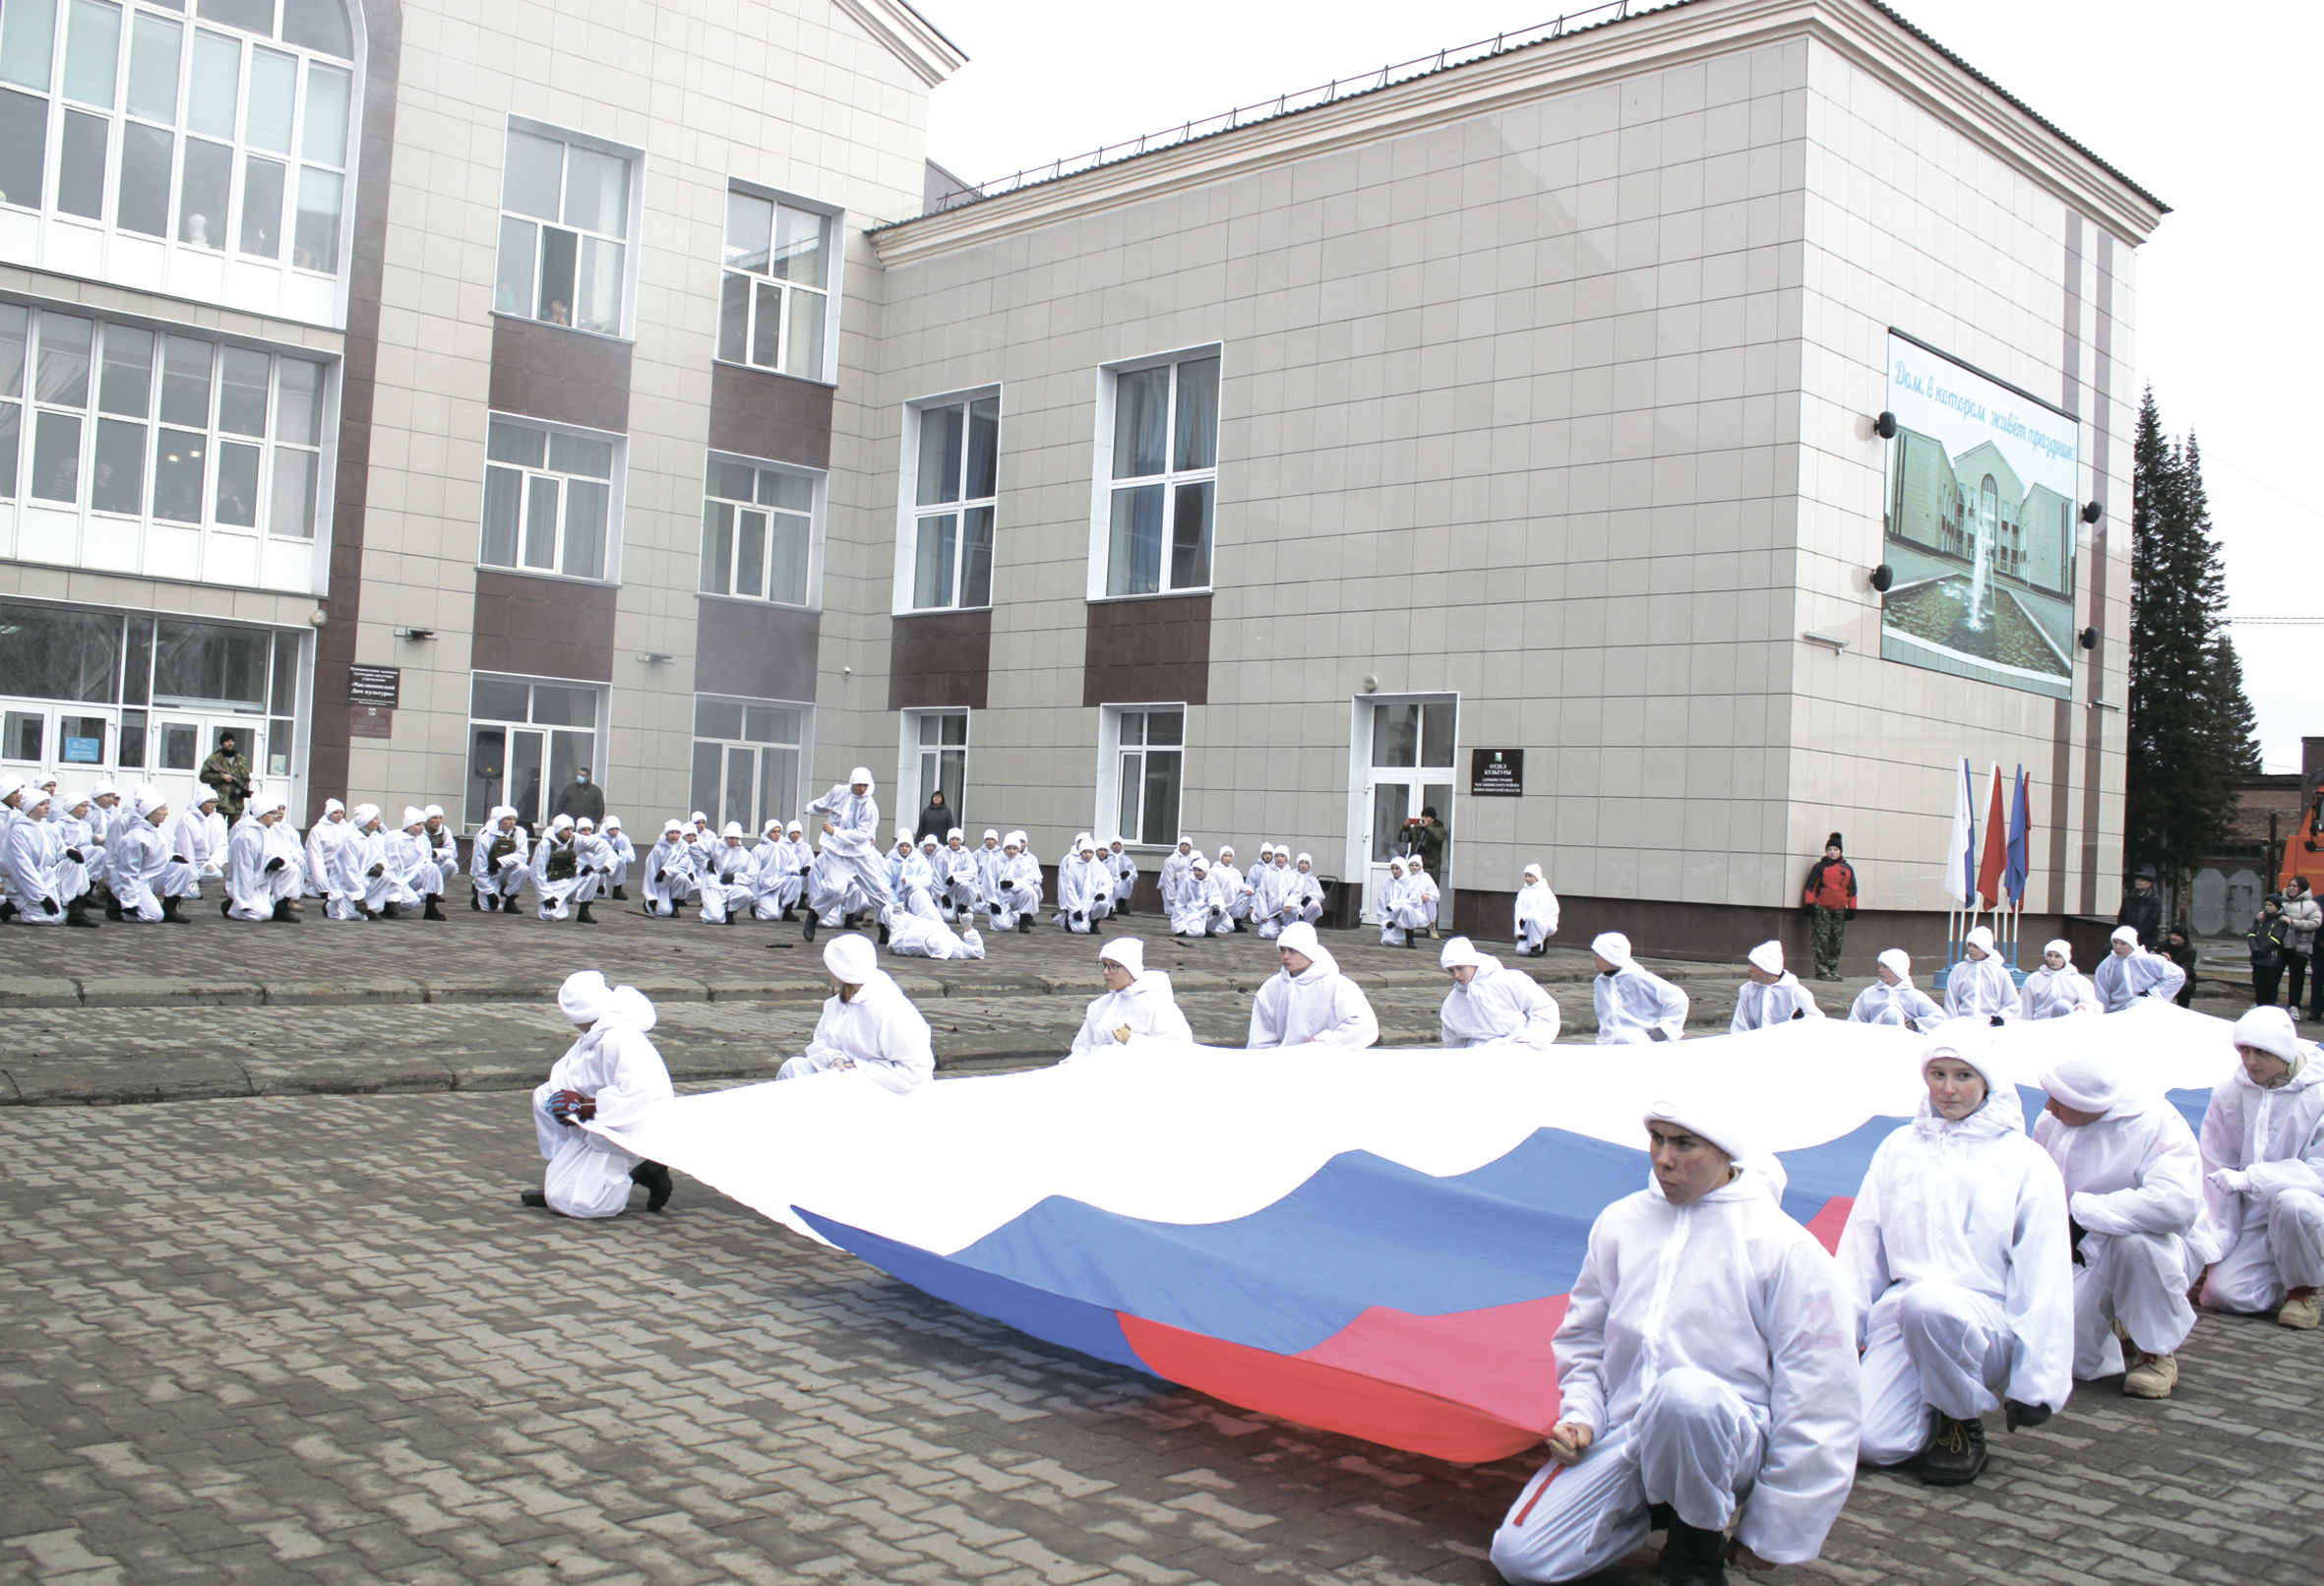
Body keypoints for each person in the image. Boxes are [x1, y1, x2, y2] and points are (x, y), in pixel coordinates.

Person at [1488, 1101, 1859, 1586]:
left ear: (1727, 1154)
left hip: (1729, 1438)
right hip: (1629, 1430)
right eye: (1657, 1139)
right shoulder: (1621, 1222)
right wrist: (1582, 1415)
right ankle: (1656, 1503)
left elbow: (1821, 1395)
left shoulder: (1783, 1246)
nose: (1663, 1158)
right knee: (1521, 1561)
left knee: (1687, 1397)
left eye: (1684, 1144)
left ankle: (1695, 1543)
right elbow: (1584, 1338)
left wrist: (1776, 1529)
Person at [1838, 1025, 2073, 1485]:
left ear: (1988, 1082)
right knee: (1871, 1444)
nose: (1948, 1089)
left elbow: (2043, 1275)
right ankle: (1931, 1394)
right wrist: (1839, 1340)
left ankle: (1960, 1419)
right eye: (1938, 1074)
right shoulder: (1898, 1149)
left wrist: (2037, 1383)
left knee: (1931, 1303)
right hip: (1905, 1316)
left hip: (1984, 1319)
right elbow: (1862, 1249)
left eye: (1964, 1075)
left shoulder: (2025, 1161)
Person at [2034, 1048, 2206, 1399]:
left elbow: (2176, 1205)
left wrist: (2084, 1212)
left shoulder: (2156, 1122)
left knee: (2136, 1244)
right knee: (2064, 1358)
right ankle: (2121, 1319)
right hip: (2079, 1251)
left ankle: (2157, 1352)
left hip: (2157, 1248)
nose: (2049, 1107)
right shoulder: (2054, 1122)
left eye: (2059, 1100)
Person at [2194, 1006, 2323, 1330]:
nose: (2250, 1061)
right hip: (2255, 1214)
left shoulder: (2319, 1096)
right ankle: (2282, 1268)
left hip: (2310, 1206)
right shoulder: (2230, 1094)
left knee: (2293, 1202)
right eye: (2244, 1051)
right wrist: (2213, 1247)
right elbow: (2215, 1167)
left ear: (2284, 1052)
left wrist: (2252, 1178)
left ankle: (2303, 1288)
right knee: (2226, 1296)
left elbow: (2319, 1172)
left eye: (2262, 1052)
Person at [524, 971, 675, 1217]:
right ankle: (563, 1169)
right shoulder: (595, 1035)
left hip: (631, 1126)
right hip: (601, 1121)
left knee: (582, 1204)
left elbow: (640, 1091)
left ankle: (645, 1166)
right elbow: (569, 1073)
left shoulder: (622, 1038)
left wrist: (586, 1106)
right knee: (544, 1097)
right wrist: (563, 1102)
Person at [776, 935, 936, 1093]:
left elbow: (915, 1071)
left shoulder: (890, 1009)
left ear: (840, 970)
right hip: (842, 1078)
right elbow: (820, 1043)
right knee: (793, 1068)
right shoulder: (836, 1004)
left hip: (883, 1090)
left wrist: (859, 1070)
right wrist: (834, 1058)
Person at [1247, 922, 1378, 1050]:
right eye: (1282, 950)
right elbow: (1261, 1037)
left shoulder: (1338, 985)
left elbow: (1364, 1024)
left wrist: (1324, 1042)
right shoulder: (1271, 988)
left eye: (1292, 951)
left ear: (1308, 951)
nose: (1285, 957)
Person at [802, 768, 893, 944]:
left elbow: (861, 834)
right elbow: (824, 803)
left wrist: (835, 831)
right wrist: (810, 809)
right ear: (852, 783)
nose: (862, 789)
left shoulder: (870, 807)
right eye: (858, 785)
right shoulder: (839, 792)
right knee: (834, 890)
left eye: (865, 785)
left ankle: (884, 928)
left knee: (880, 891)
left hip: (860, 854)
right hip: (836, 852)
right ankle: (813, 916)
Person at [1068, 937, 1193, 1056]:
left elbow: (1178, 1051)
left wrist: (1133, 1041)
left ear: (1130, 969)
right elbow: (1081, 1048)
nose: (1106, 972)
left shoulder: (1157, 1005)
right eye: (1104, 965)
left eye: (1113, 966)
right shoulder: (1098, 1006)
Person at [1437, 937, 1560, 1048]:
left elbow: (1543, 1006)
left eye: (1460, 968)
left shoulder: (1508, 980)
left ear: (1472, 962)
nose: (1457, 975)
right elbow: (1453, 1041)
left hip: (1519, 1049)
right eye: (1451, 970)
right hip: (1480, 1056)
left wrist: (1531, 1039)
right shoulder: (1452, 1003)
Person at [111, 789, 198, 924]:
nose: (166, 813)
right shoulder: (135, 837)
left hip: (149, 876)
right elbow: (128, 872)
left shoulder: (156, 829)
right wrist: (130, 902)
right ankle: (120, 908)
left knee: (182, 867)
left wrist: (172, 857)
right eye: (162, 809)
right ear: (150, 812)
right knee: (154, 916)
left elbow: (158, 855)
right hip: (135, 881)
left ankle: (170, 910)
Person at [1590, 933, 1688, 1044]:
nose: (1594, 958)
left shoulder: (1638, 978)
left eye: (1598, 954)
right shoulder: (1600, 982)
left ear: (1609, 956)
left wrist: (1664, 1030)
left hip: (1639, 1042)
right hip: (1610, 1042)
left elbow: (1678, 999)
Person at [223, 796, 300, 923]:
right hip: (251, 882)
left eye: (276, 813)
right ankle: (231, 905)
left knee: (293, 869)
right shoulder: (245, 836)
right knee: (261, 915)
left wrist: (281, 860)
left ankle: (281, 908)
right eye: (271, 813)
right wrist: (244, 901)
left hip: (266, 877)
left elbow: (289, 851)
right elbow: (243, 871)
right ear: (260, 814)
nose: (276, 816)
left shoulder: (276, 830)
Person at [3, 787, 72, 927]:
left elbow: (59, 849)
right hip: (27, 882)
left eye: (47, 803)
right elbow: (22, 868)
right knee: (47, 919)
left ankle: (76, 906)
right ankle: (12, 904)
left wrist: (69, 852)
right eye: (42, 804)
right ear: (31, 807)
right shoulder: (19, 831)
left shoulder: (48, 828)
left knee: (75, 862)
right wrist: (41, 897)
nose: (47, 807)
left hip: (46, 878)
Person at [1730, 941, 1824, 1033]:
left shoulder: (1796, 991)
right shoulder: (1747, 990)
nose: (1749, 969)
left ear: (1766, 968)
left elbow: (1816, 1021)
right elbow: (1740, 1025)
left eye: (1754, 965)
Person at [1800, 834, 1858, 982]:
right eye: (1830, 849)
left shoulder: (1847, 868)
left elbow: (1853, 889)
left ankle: (1833, 969)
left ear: (1840, 851)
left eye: (1836, 849)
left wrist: (1852, 908)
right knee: (1821, 940)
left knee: (1836, 941)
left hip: (1840, 910)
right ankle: (1821, 971)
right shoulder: (1820, 867)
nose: (1833, 852)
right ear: (1826, 852)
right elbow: (1810, 886)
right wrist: (1809, 904)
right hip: (1822, 909)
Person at [2093, 925, 2186, 1011]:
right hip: (2117, 1010)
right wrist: (2102, 1014)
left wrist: (2152, 994)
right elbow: (2101, 994)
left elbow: (2177, 975)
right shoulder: (2106, 966)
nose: (2118, 947)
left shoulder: (2148, 960)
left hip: (2144, 1007)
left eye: (2123, 943)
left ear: (2132, 944)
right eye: (2115, 942)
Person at [529, 813, 602, 923]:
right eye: (565, 829)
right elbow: (536, 873)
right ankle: (562, 901)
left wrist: (594, 865)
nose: (569, 832)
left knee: (594, 875)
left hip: (571, 881)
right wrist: (545, 896)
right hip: (553, 885)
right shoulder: (545, 845)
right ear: (558, 830)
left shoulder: (576, 840)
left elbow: (602, 846)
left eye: (571, 829)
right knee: (549, 915)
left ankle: (584, 911)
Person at [1848, 949, 1941, 1031]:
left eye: (1885, 967)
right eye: (1880, 966)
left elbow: (1938, 1018)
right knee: (1891, 1013)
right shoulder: (1868, 994)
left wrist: (1915, 1025)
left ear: (1897, 970)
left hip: (1904, 1045)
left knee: (1893, 1013)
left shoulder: (1915, 996)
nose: (1880, 970)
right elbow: (1854, 1022)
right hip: (1874, 1043)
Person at [1941, 925, 2016, 1022]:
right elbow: (1951, 1001)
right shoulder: (1959, 970)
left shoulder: (1999, 972)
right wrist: (1951, 1023)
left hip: (1990, 1025)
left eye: (1976, 946)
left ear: (1985, 948)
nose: (1971, 949)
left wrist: (2001, 1019)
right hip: (1963, 1024)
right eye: (1969, 945)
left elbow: (2012, 1003)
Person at [388, 807, 451, 920]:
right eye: (417, 824)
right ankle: (386, 904)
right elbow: (394, 870)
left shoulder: (423, 839)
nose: (421, 828)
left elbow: (427, 860)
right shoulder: (398, 842)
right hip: (399, 880)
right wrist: (394, 895)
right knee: (412, 902)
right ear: (408, 825)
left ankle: (431, 908)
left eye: (423, 824)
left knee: (432, 867)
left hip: (413, 877)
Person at [2019, 940, 2104, 1020]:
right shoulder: (2033, 980)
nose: (2052, 960)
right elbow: (2025, 1009)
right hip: (2041, 1024)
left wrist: (2082, 1007)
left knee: (2062, 1005)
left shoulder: (2080, 981)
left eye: (2057, 956)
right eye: (2050, 955)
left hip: (2069, 1025)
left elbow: (2094, 1006)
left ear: (2065, 958)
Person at [470, 806, 530, 912]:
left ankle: (510, 901)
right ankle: (479, 892)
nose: (512, 822)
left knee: (523, 869)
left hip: (506, 869)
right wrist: (489, 893)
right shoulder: (485, 836)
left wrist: (500, 862)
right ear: (499, 820)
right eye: (508, 819)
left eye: (514, 819)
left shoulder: (520, 833)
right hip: (490, 873)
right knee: (489, 908)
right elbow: (478, 867)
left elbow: (523, 855)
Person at [699, 821, 756, 925]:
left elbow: (753, 874)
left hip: (732, 886)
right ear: (725, 837)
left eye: (736, 838)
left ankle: (730, 912)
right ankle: (713, 909)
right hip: (713, 884)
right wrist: (706, 863)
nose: (734, 841)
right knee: (715, 919)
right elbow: (694, 849)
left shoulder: (744, 854)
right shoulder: (715, 844)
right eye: (731, 838)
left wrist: (735, 877)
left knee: (746, 894)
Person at [887, 901, 986, 960]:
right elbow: (978, 953)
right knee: (920, 893)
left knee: (887, 909)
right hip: (937, 923)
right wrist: (968, 928)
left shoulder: (910, 943)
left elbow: (895, 940)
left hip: (912, 925)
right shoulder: (954, 947)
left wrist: (897, 916)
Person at [985, 831, 1042, 934]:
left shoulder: (1023, 861)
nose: (1012, 852)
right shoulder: (996, 861)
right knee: (1003, 926)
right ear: (1004, 848)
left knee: (1029, 891)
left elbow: (1029, 879)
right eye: (1009, 848)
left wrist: (1013, 884)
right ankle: (1001, 915)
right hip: (1000, 898)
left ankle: (1024, 921)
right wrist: (993, 902)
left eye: (1015, 849)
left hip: (1015, 896)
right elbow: (989, 882)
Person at [173, 792, 228, 890]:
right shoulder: (187, 818)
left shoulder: (218, 818)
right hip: (189, 865)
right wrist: (192, 876)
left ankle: (196, 887)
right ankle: (187, 885)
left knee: (216, 874)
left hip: (206, 864)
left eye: (215, 802)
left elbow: (222, 844)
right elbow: (185, 849)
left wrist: (214, 862)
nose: (213, 805)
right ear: (201, 803)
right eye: (210, 802)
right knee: (189, 892)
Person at [640, 819, 693, 918]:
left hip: (675, 879)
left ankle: (675, 905)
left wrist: (666, 871)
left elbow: (684, 865)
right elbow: (651, 872)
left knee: (683, 879)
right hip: (662, 883)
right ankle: (649, 904)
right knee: (664, 912)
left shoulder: (683, 846)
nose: (674, 835)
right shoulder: (658, 848)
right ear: (666, 834)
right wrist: (651, 897)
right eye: (672, 832)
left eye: (677, 833)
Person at [1171, 852, 1232, 939]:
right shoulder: (1188, 881)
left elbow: (1215, 896)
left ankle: (1208, 929)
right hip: (1192, 912)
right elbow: (1180, 903)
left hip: (1205, 911)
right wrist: (1179, 926)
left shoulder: (1211, 881)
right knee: (1197, 933)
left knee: (1220, 912)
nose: (1196, 873)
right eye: (1195, 869)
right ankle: (1188, 929)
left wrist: (1215, 905)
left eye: (1199, 870)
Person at [2249, 894, 2293, 1008]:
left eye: (2271, 905)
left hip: (2271, 960)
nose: (2267, 907)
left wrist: (2261, 949)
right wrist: (2254, 948)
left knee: (2270, 987)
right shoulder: (2261, 919)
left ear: (2277, 906)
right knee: (2258, 984)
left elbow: (2276, 939)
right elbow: (2252, 934)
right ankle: (2259, 1006)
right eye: (2266, 905)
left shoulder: (2281, 920)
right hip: (2257, 959)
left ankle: (2269, 1008)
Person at [2284, 879, 2320, 1016]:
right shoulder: (2281, 902)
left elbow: (2315, 923)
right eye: (2289, 885)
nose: (2291, 888)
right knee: (2271, 976)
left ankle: (2294, 1006)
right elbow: (2268, 911)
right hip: (2280, 946)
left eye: (2295, 886)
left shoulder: (2312, 905)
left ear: (2302, 888)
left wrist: (2294, 923)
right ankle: (2266, 1005)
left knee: (2297, 978)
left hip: (2300, 947)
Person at [1376, 855, 1430, 948]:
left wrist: (1396, 906)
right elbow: (1381, 903)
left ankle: (1410, 937)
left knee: (1407, 909)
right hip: (1392, 916)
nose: (1394, 871)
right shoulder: (1386, 883)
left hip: (1407, 913)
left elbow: (1414, 901)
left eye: (1397, 868)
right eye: (1392, 868)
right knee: (1389, 941)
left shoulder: (1411, 883)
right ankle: (1397, 930)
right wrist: (1386, 921)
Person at [198, 732, 253, 822]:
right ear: (222, 743)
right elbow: (203, 776)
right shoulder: (214, 758)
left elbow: (246, 779)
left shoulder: (241, 760)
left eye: (232, 741)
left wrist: (243, 790)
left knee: (235, 833)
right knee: (217, 831)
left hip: (236, 805)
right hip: (220, 803)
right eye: (227, 741)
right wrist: (221, 776)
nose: (230, 743)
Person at [1056, 835, 1106, 934]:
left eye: (1090, 852)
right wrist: (1075, 909)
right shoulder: (1073, 868)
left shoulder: (1099, 867)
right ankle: (1069, 921)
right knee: (1080, 929)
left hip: (1093, 901)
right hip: (1079, 904)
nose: (1088, 855)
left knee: (1104, 905)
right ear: (1081, 853)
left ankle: (1094, 924)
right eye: (1085, 852)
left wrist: (1102, 893)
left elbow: (1107, 883)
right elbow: (1069, 890)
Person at [306, 798, 348, 900]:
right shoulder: (317, 830)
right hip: (325, 872)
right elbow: (315, 859)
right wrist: (323, 888)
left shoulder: (346, 828)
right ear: (328, 813)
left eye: (341, 812)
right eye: (335, 813)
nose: (339, 815)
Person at [1513, 864, 1559, 956]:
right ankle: (1535, 942)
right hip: (1527, 926)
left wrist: (1525, 917)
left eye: (1530, 876)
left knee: (1533, 918)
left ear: (1537, 877)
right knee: (1521, 951)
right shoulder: (1523, 892)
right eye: (1526, 876)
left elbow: (1544, 910)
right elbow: (1518, 911)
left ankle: (1537, 946)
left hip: (1544, 924)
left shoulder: (1545, 892)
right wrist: (1519, 932)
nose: (1527, 878)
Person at [2117, 872, 2164, 950]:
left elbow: (2151, 921)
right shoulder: (2129, 898)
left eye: (2142, 880)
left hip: (2146, 939)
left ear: (2149, 884)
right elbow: (2122, 916)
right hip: (2127, 937)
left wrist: (2137, 933)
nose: (2138, 882)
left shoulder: (2154, 900)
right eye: (2137, 880)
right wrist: (2125, 931)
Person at [1398, 804, 1447, 878]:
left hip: (1430, 869)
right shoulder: (1416, 828)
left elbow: (1439, 838)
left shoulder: (1439, 829)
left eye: (1426, 817)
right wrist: (1405, 828)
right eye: (1423, 816)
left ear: (1433, 819)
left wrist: (1427, 827)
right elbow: (1402, 839)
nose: (1423, 818)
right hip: (1414, 866)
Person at [420, 806, 459, 891]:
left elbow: (453, 852)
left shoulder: (445, 831)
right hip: (421, 865)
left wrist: (436, 853)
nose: (438, 821)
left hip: (437, 862)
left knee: (451, 864)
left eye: (440, 818)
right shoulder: (420, 830)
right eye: (434, 818)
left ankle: (436, 890)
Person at [1404, 852, 1440, 940]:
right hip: (1410, 901)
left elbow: (1434, 890)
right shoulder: (1405, 877)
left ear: (1420, 866)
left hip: (1423, 901)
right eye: (1411, 865)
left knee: (1430, 902)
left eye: (1416, 865)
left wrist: (1428, 895)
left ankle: (1432, 927)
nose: (1414, 867)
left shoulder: (1426, 877)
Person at [1158, 837, 1196, 918]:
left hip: (1185, 887)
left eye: (1186, 845)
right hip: (1172, 886)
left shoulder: (1193, 858)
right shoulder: (1172, 859)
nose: (1184, 847)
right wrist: (1172, 898)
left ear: (1190, 847)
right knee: (1172, 911)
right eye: (1182, 845)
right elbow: (1168, 879)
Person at [1211, 845, 1248, 930]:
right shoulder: (1214, 871)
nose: (1228, 858)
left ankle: (1236, 920)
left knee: (1247, 895)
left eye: (1230, 856)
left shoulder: (1236, 872)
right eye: (1225, 856)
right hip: (1220, 905)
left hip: (1232, 905)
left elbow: (1241, 886)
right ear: (1221, 857)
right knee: (1229, 927)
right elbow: (1211, 888)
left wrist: (1248, 890)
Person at [2165, 926, 2199, 1009]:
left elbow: (2185, 970)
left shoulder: (2190, 951)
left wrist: (2171, 962)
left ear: (2184, 938)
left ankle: (2183, 1009)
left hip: (2182, 978)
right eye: (2172, 934)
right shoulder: (2163, 945)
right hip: (2163, 976)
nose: (2173, 937)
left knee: (2186, 986)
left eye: (2177, 935)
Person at [1105, 837, 1139, 914]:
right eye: (1114, 844)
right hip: (1111, 878)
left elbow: (1133, 871)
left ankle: (1122, 905)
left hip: (1121, 879)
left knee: (1126, 882)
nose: (1116, 846)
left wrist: (1128, 872)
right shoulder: (1107, 858)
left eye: (1118, 844)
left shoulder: (1126, 859)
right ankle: (1110, 907)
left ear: (1121, 846)